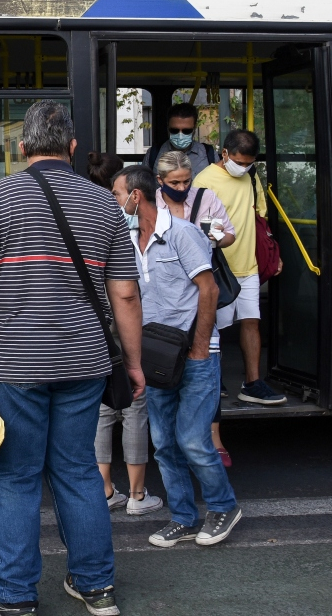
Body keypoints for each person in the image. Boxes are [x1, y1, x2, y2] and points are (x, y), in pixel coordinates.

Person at [0, 100, 144, 616]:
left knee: (14, 476)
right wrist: (133, 363)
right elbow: (125, 294)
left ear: (21, 147)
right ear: (73, 148)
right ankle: (96, 586)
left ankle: (14, 597)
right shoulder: (105, 204)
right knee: (79, 470)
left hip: (12, 366)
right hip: (84, 364)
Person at [111, 165, 242, 549]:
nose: (115, 202)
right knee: (164, 441)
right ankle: (183, 517)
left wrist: (200, 347)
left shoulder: (182, 234)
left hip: (195, 353)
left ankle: (223, 507)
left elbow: (209, 291)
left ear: (136, 197)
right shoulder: (128, 239)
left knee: (192, 439)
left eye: (118, 195)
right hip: (156, 357)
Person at [83, 155, 163, 519]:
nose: (114, 199)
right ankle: (137, 493)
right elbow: (129, 293)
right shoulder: (123, 227)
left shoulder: (97, 224)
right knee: (134, 408)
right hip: (130, 327)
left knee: (102, 407)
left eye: (116, 193)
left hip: (101, 329)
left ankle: (105, 489)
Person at [155, 150, 237, 467]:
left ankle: (211, 439)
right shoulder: (153, 203)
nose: (182, 186)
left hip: (202, 288)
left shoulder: (205, 198)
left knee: (205, 370)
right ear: (160, 181)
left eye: (186, 180)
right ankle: (177, 444)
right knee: (167, 369)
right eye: (175, 182)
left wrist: (216, 236)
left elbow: (229, 235)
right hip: (165, 296)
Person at [193, 130, 285, 405]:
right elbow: (200, 221)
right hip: (219, 268)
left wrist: (270, 253)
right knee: (214, 328)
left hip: (248, 265)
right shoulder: (205, 180)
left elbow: (258, 216)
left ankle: (253, 383)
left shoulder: (249, 176)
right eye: (239, 162)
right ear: (224, 153)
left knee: (251, 322)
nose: (243, 168)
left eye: (248, 163)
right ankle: (214, 381)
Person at [142, 102, 217, 175]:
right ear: (168, 127)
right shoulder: (153, 154)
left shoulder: (209, 154)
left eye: (186, 131)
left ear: (194, 128)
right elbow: (143, 184)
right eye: (174, 130)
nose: (180, 135)